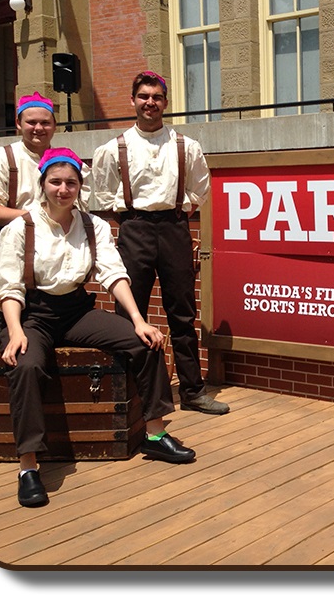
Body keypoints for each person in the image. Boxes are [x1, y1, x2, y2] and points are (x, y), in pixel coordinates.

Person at [0, 148, 196, 508]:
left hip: (75, 308)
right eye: (55, 181)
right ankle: (27, 467)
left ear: (79, 187)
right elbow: (8, 286)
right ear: (42, 184)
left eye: (70, 182)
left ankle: (154, 434)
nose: (63, 189)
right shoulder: (19, 227)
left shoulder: (94, 225)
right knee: (25, 365)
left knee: (143, 343)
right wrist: (16, 329)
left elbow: (113, 274)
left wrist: (138, 320)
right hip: (29, 313)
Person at [91, 71, 228, 415]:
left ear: (165, 103)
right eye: (143, 96)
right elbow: (103, 192)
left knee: (182, 313)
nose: (149, 102)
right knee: (128, 313)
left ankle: (193, 391)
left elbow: (201, 188)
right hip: (133, 229)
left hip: (174, 229)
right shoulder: (113, 148)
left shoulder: (186, 145)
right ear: (133, 101)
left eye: (156, 97)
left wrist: (181, 211)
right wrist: (127, 217)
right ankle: (132, 392)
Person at [0, 92, 89, 268]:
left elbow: (80, 210)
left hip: (60, 240)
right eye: (31, 122)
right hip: (15, 240)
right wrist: (39, 220)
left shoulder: (72, 165)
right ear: (18, 124)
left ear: (54, 125)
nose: (38, 128)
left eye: (45, 123)